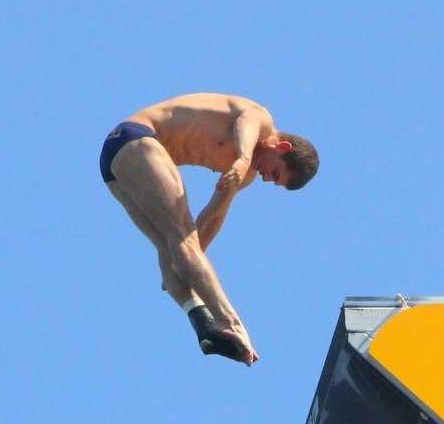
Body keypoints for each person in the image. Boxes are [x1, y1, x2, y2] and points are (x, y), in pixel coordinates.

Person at [99, 93, 319, 366]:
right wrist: (241, 158)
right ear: (282, 147)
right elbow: (245, 123)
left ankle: (203, 323)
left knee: (174, 249)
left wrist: (187, 262)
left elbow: (215, 214)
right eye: (275, 173)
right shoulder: (260, 120)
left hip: (112, 165)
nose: (265, 178)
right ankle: (231, 322)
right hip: (138, 138)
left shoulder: (246, 175)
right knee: (181, 241)